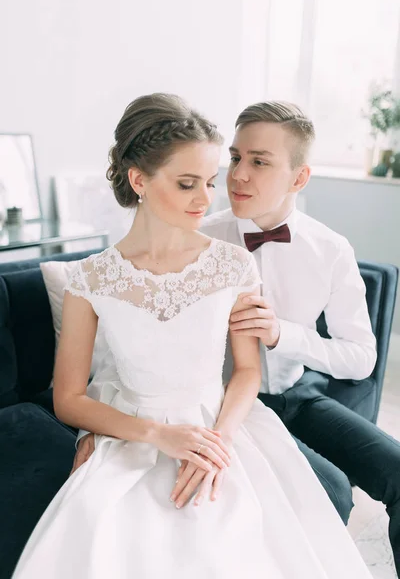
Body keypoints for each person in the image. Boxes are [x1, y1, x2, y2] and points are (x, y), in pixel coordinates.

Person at [12, 94, 372, 579]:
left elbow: (247, 372)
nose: (207, 199)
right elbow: (68, 396)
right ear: (139, 180)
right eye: (187, 184)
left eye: (207, 181)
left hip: (226, 426)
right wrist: (153, 434)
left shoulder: (230, 262)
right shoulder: (89, 279)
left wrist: (215, 445)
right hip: (136, 436)